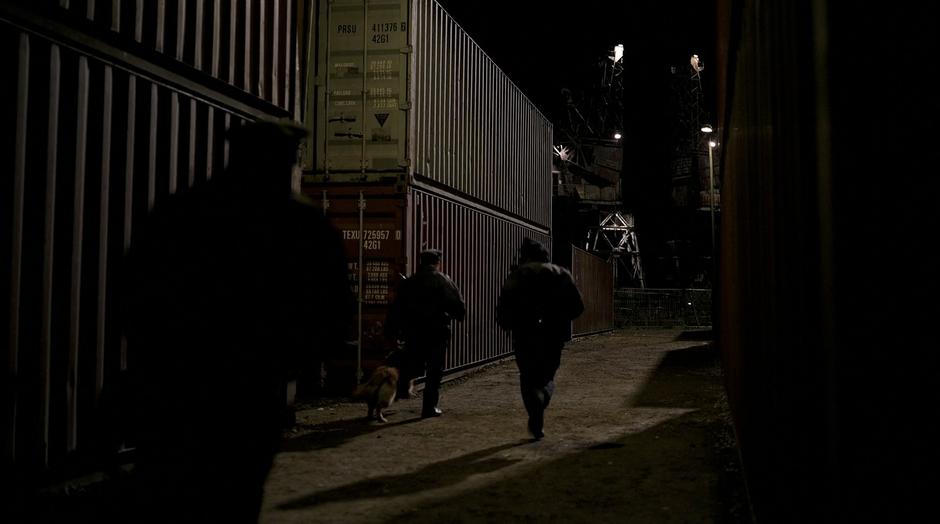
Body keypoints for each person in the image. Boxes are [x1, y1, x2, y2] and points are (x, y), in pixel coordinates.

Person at [121, 119, 352, 522]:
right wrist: (295, 360)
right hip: (255, 391)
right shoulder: (304, 225)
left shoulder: (180, 211)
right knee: (238, 492)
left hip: (175, 386)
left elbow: (134, 295)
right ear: (288, 160)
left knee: (168, 490)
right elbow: (334, 314)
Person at [496, 238, 584, 441]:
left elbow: (504, 306)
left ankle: (536, 414)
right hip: (553, 335)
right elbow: (577, 307)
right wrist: (560, 319)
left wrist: (507, 323)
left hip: (524, 333)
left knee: (527, 375)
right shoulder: (561, 274)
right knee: (547, 374)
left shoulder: (518, 275)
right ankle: (542, 395)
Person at [384, 249, 466, 418]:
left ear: (420, 262)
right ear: (437, 262)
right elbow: (459, 308)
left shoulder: (409, 282)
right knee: (434, 372)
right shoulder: (443, 280)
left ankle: (396, 392)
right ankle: (429, 408)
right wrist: (455, 316)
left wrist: (391, 331)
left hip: (413, 333)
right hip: (437, 333)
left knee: (411, 365)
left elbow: (396, 310)